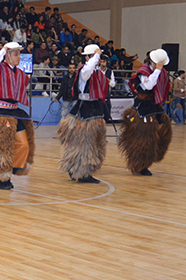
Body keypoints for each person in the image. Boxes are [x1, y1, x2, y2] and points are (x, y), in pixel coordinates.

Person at [0, 41, 35, 190]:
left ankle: (10, 171)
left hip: (14, 111)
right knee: (1, 149)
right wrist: (3, 49)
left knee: (23, 145)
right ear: (7, 56)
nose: (19, 57)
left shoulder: (20, 74)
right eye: (16, 54)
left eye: (19, 54)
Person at [57, 45, 109, 184]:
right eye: (94, 56)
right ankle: (81, 172)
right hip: (84, 111)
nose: (97, 59)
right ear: (87, 57)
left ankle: (81, 170)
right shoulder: (84, 71)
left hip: (95, 110)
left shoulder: (97, 72)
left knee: (93, 143)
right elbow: (87, 70)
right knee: (84, 143)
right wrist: (96, 56)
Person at [118, 49, 172, 176]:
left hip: (155, 105)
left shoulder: (162, 72)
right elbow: (148, 86)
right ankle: (139, 164)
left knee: (164, 130)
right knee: (144, 137)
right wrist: (157, 71)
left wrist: (159, 71)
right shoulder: (143, 72)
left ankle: (151, 159)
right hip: (143, 107)